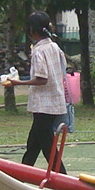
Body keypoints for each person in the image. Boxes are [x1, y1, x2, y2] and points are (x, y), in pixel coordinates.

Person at [18, 12, 68, 171]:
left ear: (32, 30)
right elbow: (62, 67)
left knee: (47, 145)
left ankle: (63, 180)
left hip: (43, 104)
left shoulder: (39, 51)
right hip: (54, 100)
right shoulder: (54, 46)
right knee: (33, 143)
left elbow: (42, 78)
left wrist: (18, 82)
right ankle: (22, 175)